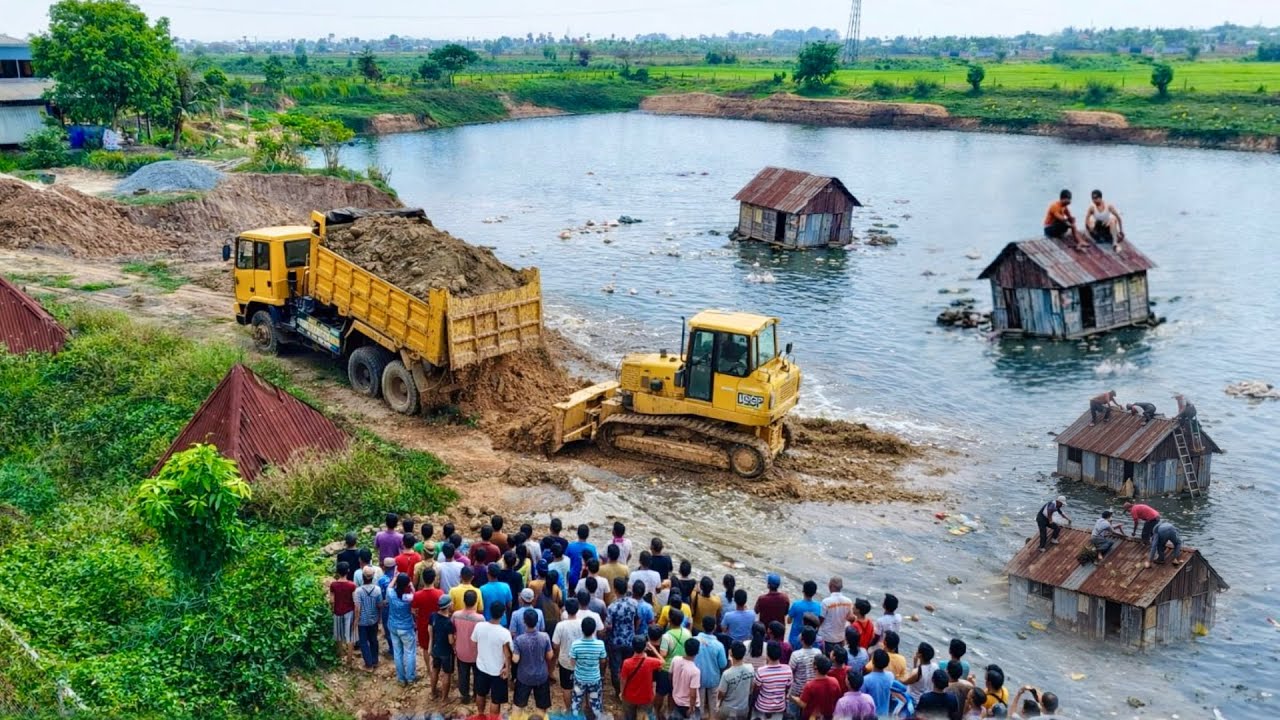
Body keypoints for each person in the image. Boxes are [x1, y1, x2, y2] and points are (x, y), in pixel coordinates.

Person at [471, 600, 513, 716]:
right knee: (495, 700)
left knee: (480, 693)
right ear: (503, 614)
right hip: (497, 671)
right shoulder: (504, 633)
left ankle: (480, 714)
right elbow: (508, 654)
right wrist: (507, 669)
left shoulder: (479, 626)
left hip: (481, 666)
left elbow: (474, 642)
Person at [570, 616, 610, 719]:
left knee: (576, 703)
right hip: (594, 679)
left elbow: (572, 662)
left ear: (582, 629)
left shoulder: (575, 644)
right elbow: (603, 660)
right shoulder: (600, 644)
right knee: (596, 704)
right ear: (594, 630)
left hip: (579, 678)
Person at [657, 609, 693, 718]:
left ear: (670, 621)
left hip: (666, 669)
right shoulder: (687, 633)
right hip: (680, 669)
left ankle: (656, 711)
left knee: (660, 693)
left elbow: (663, 654)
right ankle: (670, 713)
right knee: (673, 692)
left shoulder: (666, 636)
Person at [451, 589, 486, 702]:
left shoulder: (456, 615)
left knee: (463, 675)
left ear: (463, 601)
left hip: (461, 651)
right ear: (476, 602)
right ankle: (477, 695)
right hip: (476, 652)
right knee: (477, 675)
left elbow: (452, 630)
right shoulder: (480, 619)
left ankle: (464, 696)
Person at [552, 598, 586, 710]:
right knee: (581, 686)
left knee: (566, 687)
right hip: (581, 661)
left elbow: (555, 644)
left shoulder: (561, 625)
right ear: (577, 609)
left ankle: (568, 709)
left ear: (566, 609)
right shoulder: (583, 623)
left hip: (565, 660)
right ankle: (579, 709)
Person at [621, 636, 664, 720]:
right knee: (646, 716)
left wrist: (622, 693)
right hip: (646, 697)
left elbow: (623, 680)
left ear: (632, 647)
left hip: (629, 696)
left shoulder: (626, 663)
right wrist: (653, 648)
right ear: (645, 647)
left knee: (629, 716)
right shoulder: (651, 661)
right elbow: (662, 661)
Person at [386, 573, 418, 685]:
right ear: (406, 585)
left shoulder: (391, 594)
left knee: (398, 652)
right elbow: (416, 597)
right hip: (406, 628)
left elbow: (389, 587)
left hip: (393, 626)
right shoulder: (408, 597)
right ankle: (410, 677)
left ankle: (400, 678)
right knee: (409, 652)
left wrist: (394, 577)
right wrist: (412, 586)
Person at [694, 617, 728, 717]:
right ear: (714, 627)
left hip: (698, 679)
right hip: (714, 679)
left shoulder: (693, 640)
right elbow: (723, 664)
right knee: (714, 706)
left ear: (702, 626)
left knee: (699, 705)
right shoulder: (719, 645)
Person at [862, 649, 912, 718]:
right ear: (886, 664)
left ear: (872, 661)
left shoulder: (866, 680)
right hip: (884, 713)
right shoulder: (890, 676)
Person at [752, 642, 793, 720]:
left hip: (762, 707)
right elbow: (787, 688)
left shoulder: (761, 671)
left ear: (767, 654)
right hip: (780, 707)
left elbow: (756, 689)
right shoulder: (788, 670)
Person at [411, 568, 444, 663]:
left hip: (423, 624)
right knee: (437, 645)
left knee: (425, 648)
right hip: (437, 624)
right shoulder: (440, 593)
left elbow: (413, 610)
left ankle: (428, 669)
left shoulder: (417, 595)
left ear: (423, 579)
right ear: (434, 579)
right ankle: (436, 667)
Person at [353, 566, 383, 670]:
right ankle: (375, 661)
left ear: (363, 577)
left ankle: (368, 664)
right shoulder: (377, 590)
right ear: (372, 577)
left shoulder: (358, 591)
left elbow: (357, 608)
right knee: (374, 640)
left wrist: (356, 621)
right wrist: (379, 618)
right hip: (373, 619)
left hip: (362, 621)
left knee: (363, 642)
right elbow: (380, 605)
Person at [795, 654, 842, 720]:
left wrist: (793, 698)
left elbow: (803, 704)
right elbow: (838, 698)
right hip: (829, 716)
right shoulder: (834, 681)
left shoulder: (810, 685)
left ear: (815, 666)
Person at [329, 562, 357, 664]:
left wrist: (333, 609)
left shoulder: (333, 585)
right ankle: (349, 659)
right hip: (349, 611)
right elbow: (355, 600)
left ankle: (340, 655)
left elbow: (332, 600)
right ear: (348, 571)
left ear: (337, 572)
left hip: (337, 611)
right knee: (350, 636)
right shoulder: (352, 585)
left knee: (338, 634)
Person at [427, 595, 455, 700]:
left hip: (436, 649)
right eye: (451, 603)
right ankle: (444, 698)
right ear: (448, 606)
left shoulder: (433, 616)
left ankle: (433, 693)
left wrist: (430, 646)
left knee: (435, 670)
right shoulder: (449, 622)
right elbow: (450, 640)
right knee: (447, 674)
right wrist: (455, 645)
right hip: (446, 652)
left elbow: (430, 630)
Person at [718, 641, 754, 720]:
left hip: (727, 709)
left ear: (730, 653)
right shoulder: (750, 669)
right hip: (743, 708)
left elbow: (721, 694)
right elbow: (751, 688)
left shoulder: (727, 674)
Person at [670, 637, 703, 720]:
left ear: (684, 648)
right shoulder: (695, 671)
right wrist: (692, 708)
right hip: (688, 705)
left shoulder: (675, 659)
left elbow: (670, 675)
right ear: (698, 651)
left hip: (677, 700)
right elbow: (693, 694)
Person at [818, 577, 854, 648]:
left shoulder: (826, 602)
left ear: (830, 586)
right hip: (840, 637)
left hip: (827, 637)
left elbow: (821, 620)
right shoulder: (848, 601)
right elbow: (850, 618)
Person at [786, 580, 822, 647]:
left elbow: (788, 621)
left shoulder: (796, 605)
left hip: (794, 640)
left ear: (803, 591)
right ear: (815, 593)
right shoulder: (818, 607)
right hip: (810, 641)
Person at [567, 524, 600, 590]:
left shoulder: (570, 546)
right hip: (588, 581)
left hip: (573, 579)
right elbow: (596, 564)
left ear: (577, 533)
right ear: (588, 535)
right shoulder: (592, 548)